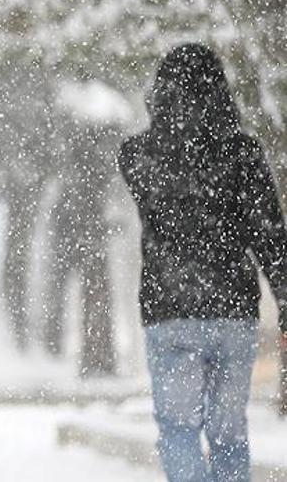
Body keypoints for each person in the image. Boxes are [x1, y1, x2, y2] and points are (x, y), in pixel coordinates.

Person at [119, 43, 287, 482]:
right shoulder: (244, 155)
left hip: (168, 310)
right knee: (229, 433)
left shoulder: (140, 156)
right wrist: (285, 298)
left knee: (178, 430)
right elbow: (270, 237)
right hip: (232, 312)